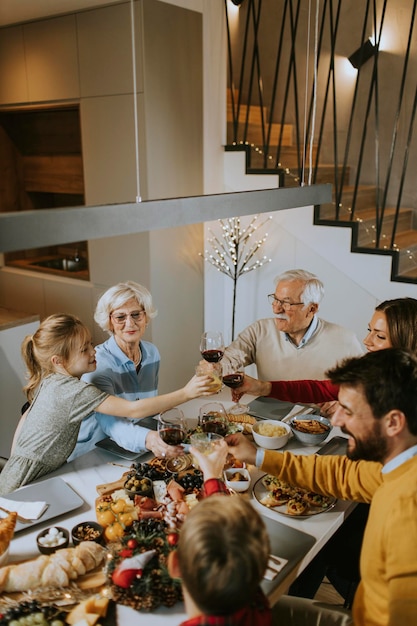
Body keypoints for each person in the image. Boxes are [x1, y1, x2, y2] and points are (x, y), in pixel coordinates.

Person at [226, 348, 417, 626]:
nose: (337, 421)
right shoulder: (397, 465)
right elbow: (341, 474)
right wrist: (258, 455)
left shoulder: (407, 511)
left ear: (393, 422)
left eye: (348, 411)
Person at [0, 313, 213, 495]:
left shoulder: (52, 379)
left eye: (90, 344)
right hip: (24, 482)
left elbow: (26, 415)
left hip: (21, 474)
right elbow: (133, 409)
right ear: (58, 361)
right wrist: (187, 393)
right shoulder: (74, 392)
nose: (94, 351)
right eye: (84, 350)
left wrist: (15, 459)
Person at [230, 297, 417, 410]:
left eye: (380, 336)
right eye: (369, 330)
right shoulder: (374, 369)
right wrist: (262, 387)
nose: (367, 341)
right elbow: (321, 389)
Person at [69, 281, 181, 461]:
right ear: (110, 322)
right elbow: (112, 425)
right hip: (94, 455)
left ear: (146, 318)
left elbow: (148, 409)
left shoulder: (152, 354)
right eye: (120, 317)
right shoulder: (97, 365)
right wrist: (150, 439)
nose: (130, 323)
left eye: (136, 315)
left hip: (135, 447)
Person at [221, 269, 363, 381]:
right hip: (267, 417)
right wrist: (214, 367)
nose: (276, 309)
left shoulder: (345, 340)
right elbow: (230, 359)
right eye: (276, 300)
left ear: (311, 309)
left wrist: (340, 401)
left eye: (287, 303)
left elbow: (366, 387)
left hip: (316, 418)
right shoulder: (259, 331)